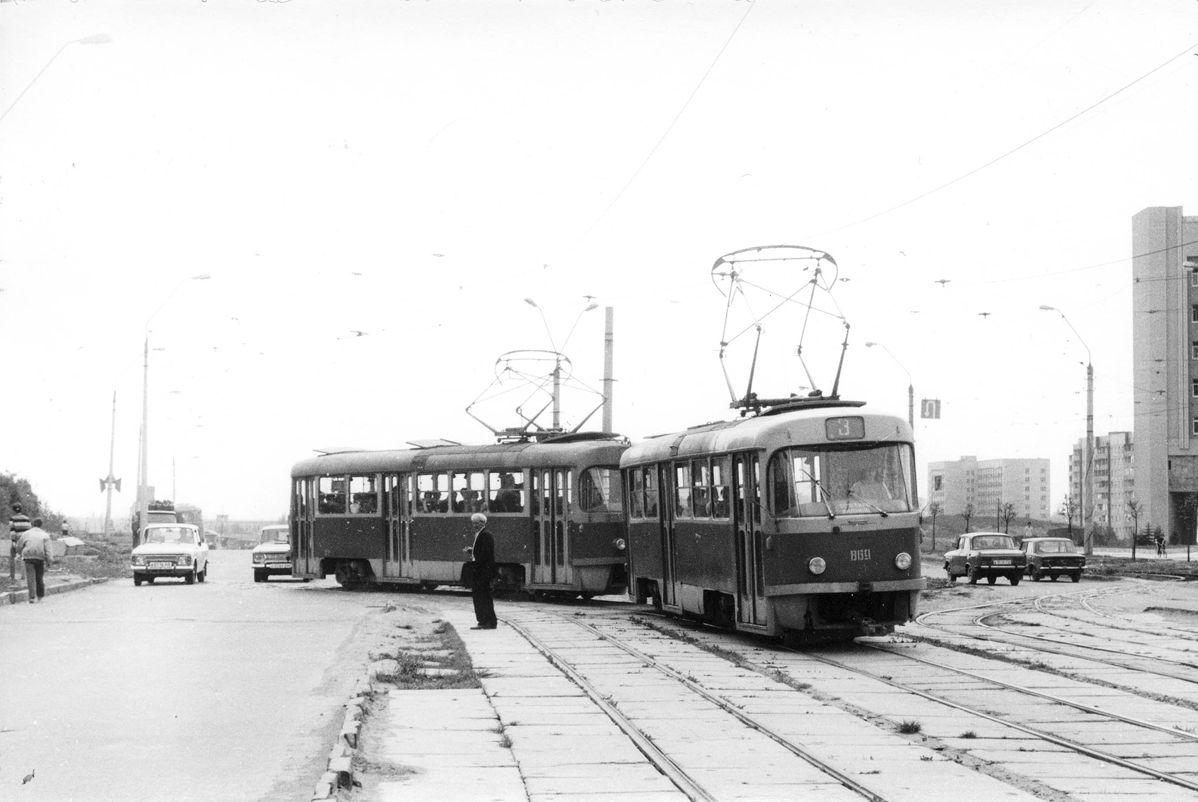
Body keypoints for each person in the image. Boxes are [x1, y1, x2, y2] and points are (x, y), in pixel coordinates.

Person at [463, 512, 497, 629]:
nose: (474, 525)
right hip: (483, 571)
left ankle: (484, 622)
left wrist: (475, 565)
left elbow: (485, 555)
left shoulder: (485, 535)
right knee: (484, 597)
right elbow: (483, 551)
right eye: (473, 523)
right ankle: (490, 622)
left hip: (482, 572)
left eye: (477, 523)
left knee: (480, 597)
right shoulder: (483, 534)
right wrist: (472, 551)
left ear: (483, 523)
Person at [16, 517, 53, 603]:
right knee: (39, 577)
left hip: (28, 556)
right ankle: (40, 595)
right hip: (40, 557)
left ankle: (31, 597)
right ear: (41, 525)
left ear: (32, 524)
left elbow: (20, 545)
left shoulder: (26, 534)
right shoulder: (45, 535)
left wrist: (19, 552)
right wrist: (49, 560)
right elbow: (48, 550)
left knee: (30, 576)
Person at [9, 503, 31, 579]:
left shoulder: (12, 519)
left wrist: (13, 541)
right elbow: (29, 529)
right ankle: (23, 575)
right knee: (23, 556)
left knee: (12, 556)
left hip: (17, 540)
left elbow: (12, 531)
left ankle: (12, 575)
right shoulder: (27, 519)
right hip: (26, 539)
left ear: (13, 510)